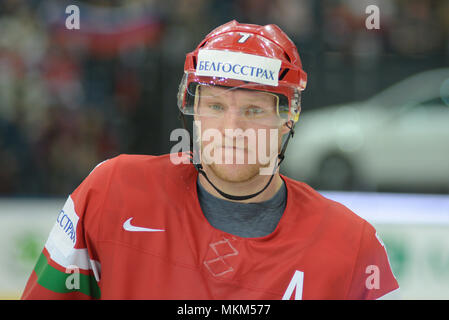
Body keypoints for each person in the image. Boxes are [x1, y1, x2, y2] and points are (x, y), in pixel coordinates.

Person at [22, 20, 399, 300]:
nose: (231, 128)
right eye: (216, 106)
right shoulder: (110, 193)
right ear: (195, 112)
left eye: (252, 110)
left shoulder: (352, 246)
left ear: (288, 119)